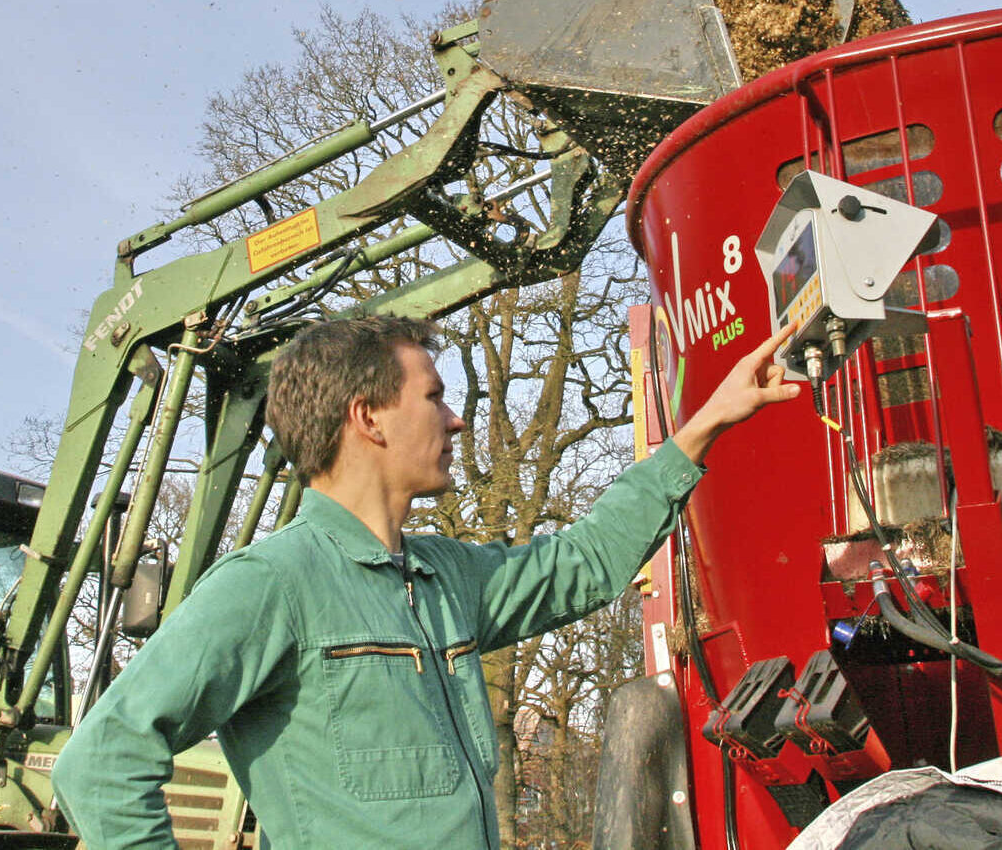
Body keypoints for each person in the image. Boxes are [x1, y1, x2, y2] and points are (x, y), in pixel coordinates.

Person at [52, 314, 800, 850]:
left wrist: (705, 424)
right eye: (435, 396)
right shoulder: (272, 584)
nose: (457, 419)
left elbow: (587, 562)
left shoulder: (446, 576)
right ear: (369, 418)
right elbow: (100, 763)